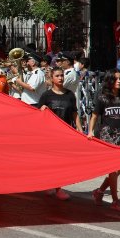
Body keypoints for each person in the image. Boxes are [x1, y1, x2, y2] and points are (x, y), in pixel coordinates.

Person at [88, 69, 120, 211]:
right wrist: (90, 132)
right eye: (115, 79)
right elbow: (95, 116)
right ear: (110, 81)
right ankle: (115, 200)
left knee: (117, 171)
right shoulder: (103, 98)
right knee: (113, 170)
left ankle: (99, 192)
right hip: (107, 138)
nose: (119, 81)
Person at [39, 67, 82, 200]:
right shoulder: (46, 96)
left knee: (62, 162)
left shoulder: (70, 95)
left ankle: (58, 188)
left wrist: (80, 130)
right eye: (57, 76)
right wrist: (42, 108)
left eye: (62, 75)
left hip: (65, 133)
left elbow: (75, 114)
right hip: (50, 134)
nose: (60, 78)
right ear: (52, 78)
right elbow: (39, 114)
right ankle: (48, 184)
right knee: (50, 162)